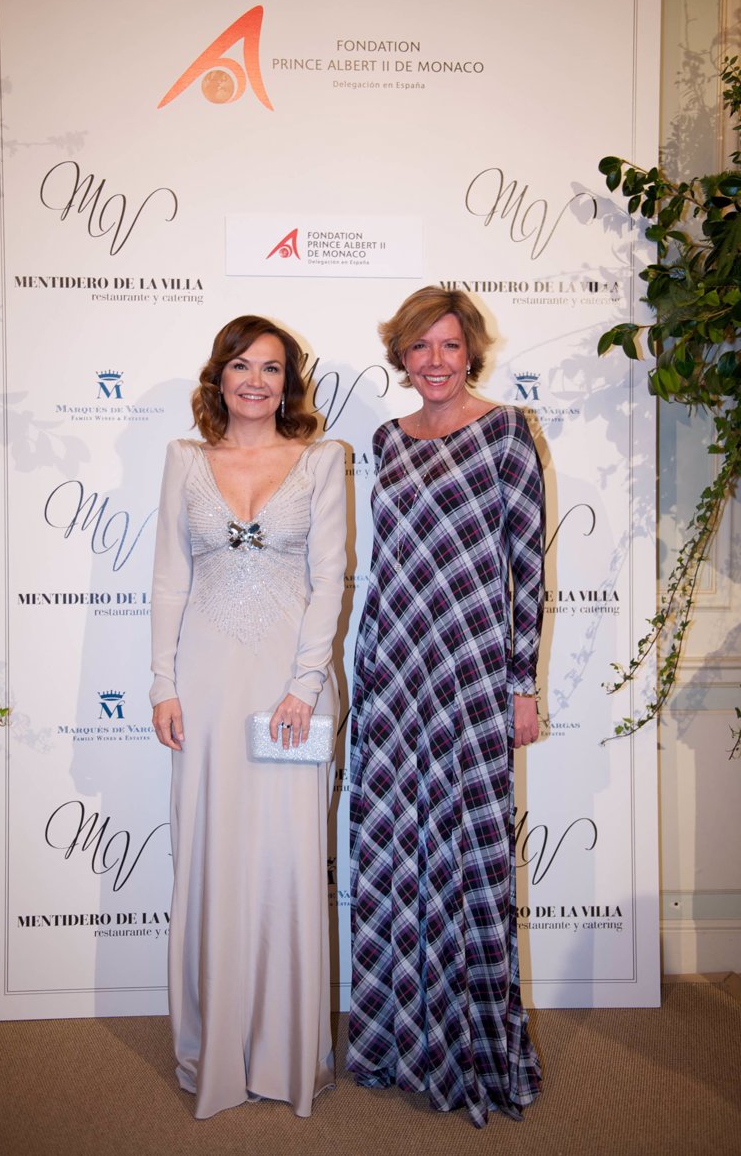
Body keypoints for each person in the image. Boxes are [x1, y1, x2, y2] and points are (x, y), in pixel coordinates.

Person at [347, 286, 545, 1127]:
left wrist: (521, 684)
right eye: (420, 346)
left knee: (470, 855)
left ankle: (473, 1049)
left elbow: (527, 565)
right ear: (402, 355)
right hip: (395, 669)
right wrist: (367, 667)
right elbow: (390, 561)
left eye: (450, 346)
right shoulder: (387, 441)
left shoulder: (506, 433)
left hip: (472, 672)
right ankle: (398, 1041)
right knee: (395, 846)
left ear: (471, 354)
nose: (435, 361)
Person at [150, 314, 346, 1119]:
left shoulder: (324, 460)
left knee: (288, 861)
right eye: (241, 366)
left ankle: (286, 1056)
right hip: (204, 686)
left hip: (292, 691)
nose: (256, 381)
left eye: (271, 368)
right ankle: (216, 1053)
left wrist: (304, 685)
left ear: (288, 382)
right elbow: (169, 579)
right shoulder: (184, 460)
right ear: (219, 377)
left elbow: (331, 580)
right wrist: (162, 685)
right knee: (211, 855)